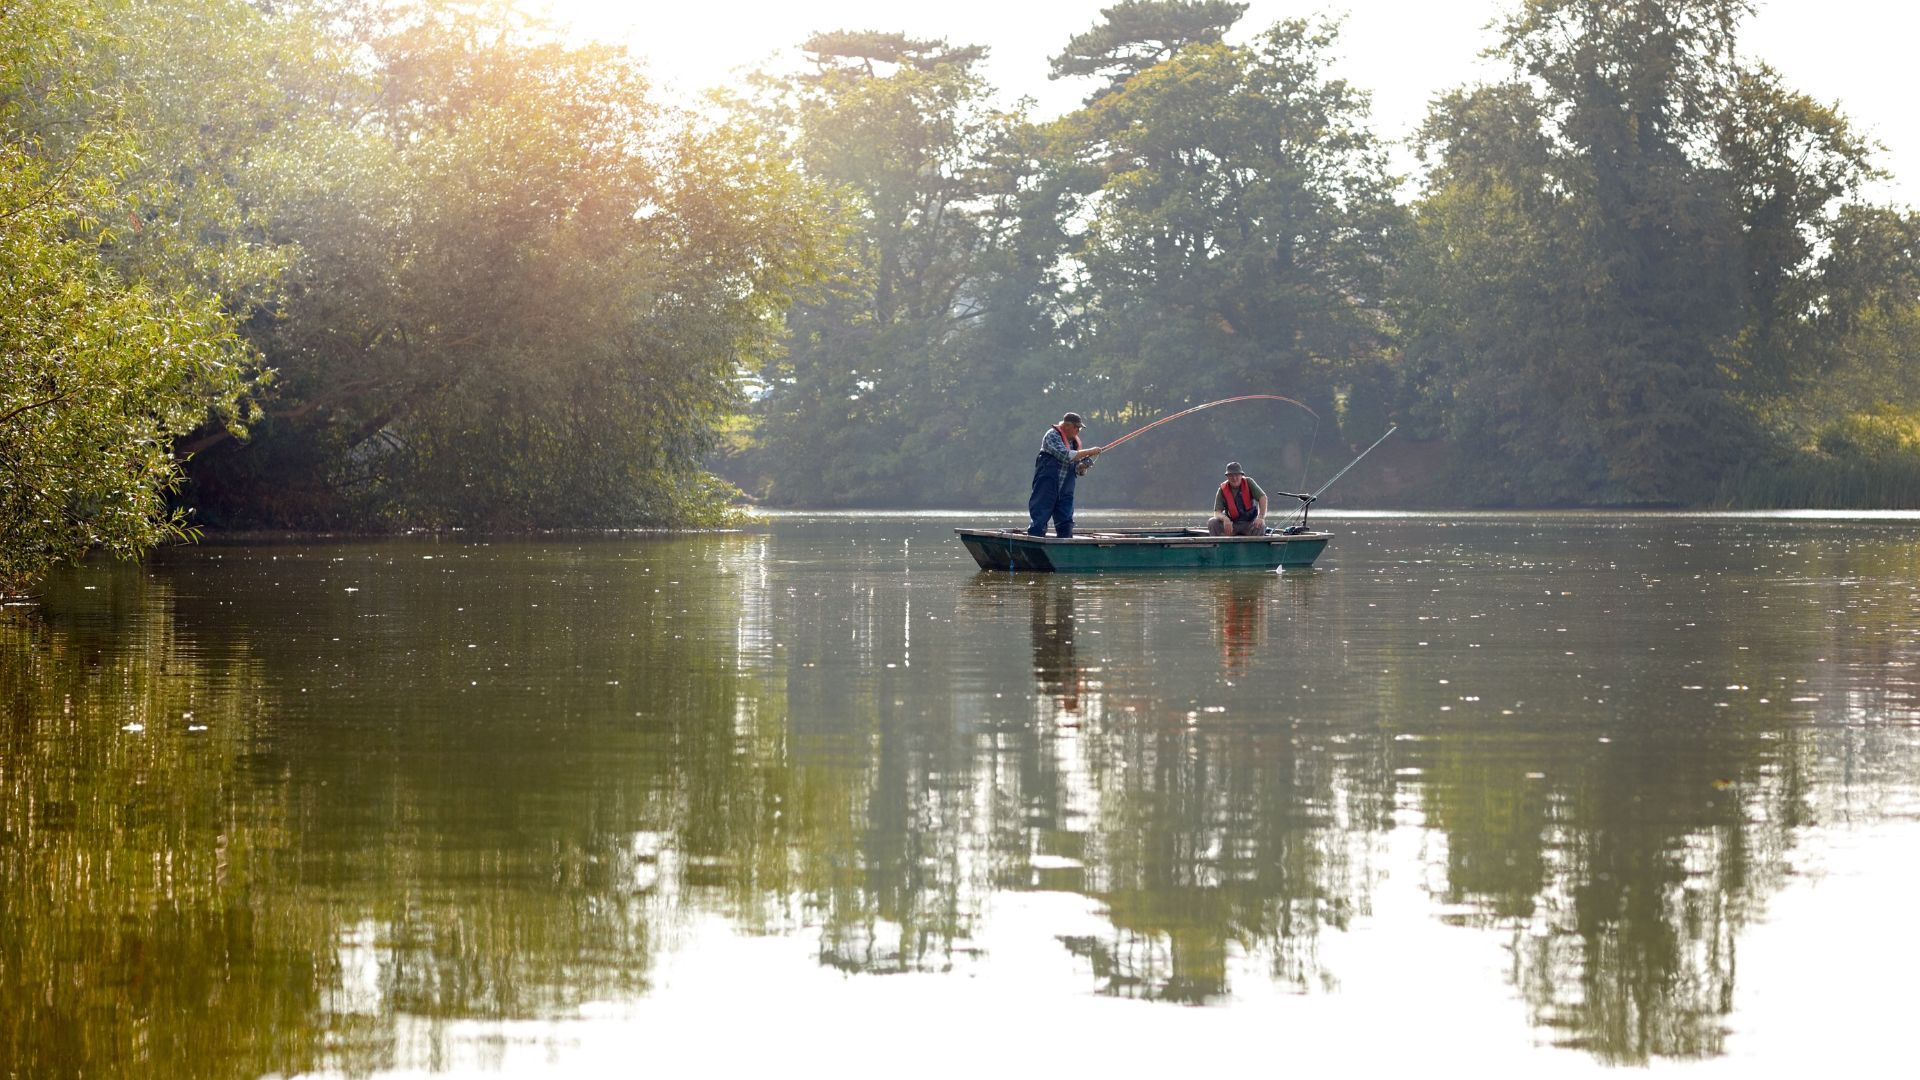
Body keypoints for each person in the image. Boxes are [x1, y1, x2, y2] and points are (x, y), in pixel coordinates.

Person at [1028, 412, 1104, 537]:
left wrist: (1083, 466)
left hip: (1065, 491)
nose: (1079, 431)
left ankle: (1066, 548)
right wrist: (1090, 451)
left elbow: (1078, 471)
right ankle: (1034, 544)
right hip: (1046, 487)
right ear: (1067, 426)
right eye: (1077, 427)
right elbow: (1064, 455)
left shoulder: (1074, 442)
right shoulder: (1052, 435)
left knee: (1066, 521)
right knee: (1039, 518)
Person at [1209, 461, 1268, 535]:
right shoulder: (1222, 489)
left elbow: (1262, 497)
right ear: (1227, 476)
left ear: (1241, 475)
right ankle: (1218, 545)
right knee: (1212, 522)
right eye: (1231, 475)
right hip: (1232, 525)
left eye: (1237, 475)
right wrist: (1225, 519)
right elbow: (1217, 512)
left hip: (1249, 523)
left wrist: (1261, 517)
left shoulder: (1249, 482)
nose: (1234, 478)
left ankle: (1254, 546)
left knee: (1261, 525)